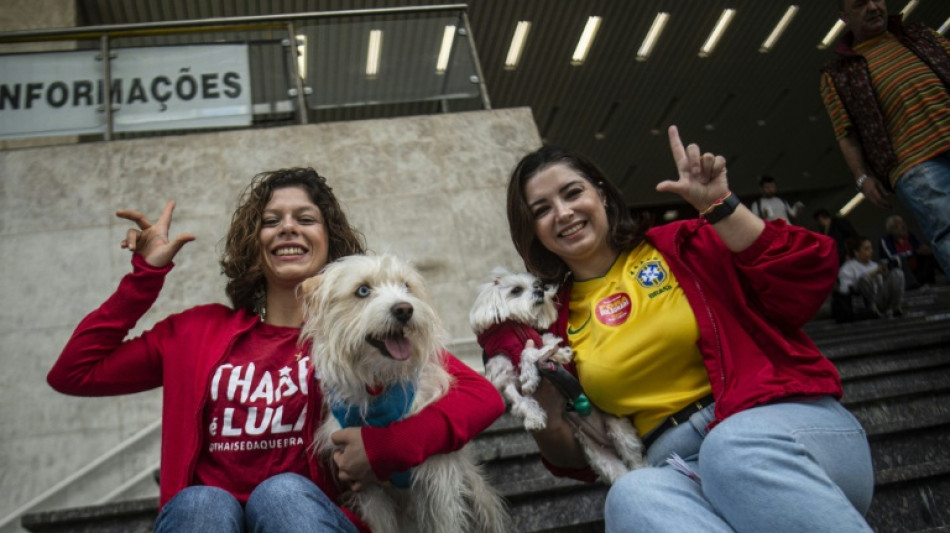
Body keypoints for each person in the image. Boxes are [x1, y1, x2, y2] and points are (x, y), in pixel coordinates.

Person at [47, 168, 504, 533]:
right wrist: (144, 277)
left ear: (330, 241)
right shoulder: (195, 331)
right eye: (271, 220)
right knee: (201, 503)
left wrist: (383, 447)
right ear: (255, 243)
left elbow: (481, 397)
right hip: (204, 519)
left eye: (305, 218)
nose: (288, 227)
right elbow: (75, 373)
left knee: (281, 493)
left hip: (309, 516)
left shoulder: (360, 338)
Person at [501, 126, 874, 532]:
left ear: (602, 194)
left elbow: (807, 276)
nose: (563, 213)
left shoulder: (686, 242)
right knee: (631, 496)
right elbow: (575, 458)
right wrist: (543, 409)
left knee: (730, 448)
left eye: (573, 193)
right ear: (533, 229)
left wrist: (721, 206)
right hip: (676, 466)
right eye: (541, 209)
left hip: (783, 434)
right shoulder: (551, 324)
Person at [820, 0, 950, 279]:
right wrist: (861, 178)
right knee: (947, 228)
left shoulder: (922, 36)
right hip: (914, 163)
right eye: (859, 4)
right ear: (845, 17)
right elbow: (846, 133)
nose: (873, 7)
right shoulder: (837, 74)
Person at [840, 236, 905, 317]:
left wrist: (885, 275)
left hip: (881, 296)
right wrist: (872, 274)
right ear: (856, 252)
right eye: (866, 249)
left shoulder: (875, 265)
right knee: (864, 278)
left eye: (871, 248)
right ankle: (873, 309)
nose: (870, 251)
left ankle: (895, 307)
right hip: (863, 303)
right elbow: (847, 289)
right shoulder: (848, 267)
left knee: (897, 273)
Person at [880, 214, 938, 289]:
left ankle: (944, 274)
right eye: (899, 226)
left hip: (915, 269)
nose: (904, 227)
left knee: (929, 254)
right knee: (900, 260)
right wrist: (914, 252)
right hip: (897, 271)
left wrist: (925, 249)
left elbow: (919, 248)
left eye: (903, 224)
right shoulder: (885, 240)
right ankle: (911, 284)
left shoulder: (910, 236)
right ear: (892, 229)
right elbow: (893, 256)